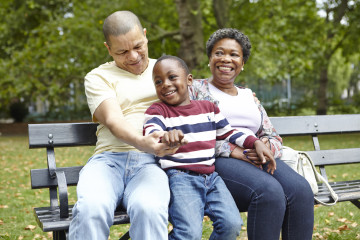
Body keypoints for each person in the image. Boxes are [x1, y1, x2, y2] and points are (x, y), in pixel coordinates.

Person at [189, 28, 314, 240]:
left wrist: (265, 146)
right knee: (269, 192)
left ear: (242, 63)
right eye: (219, 53)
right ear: (209, 58)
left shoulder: (249, 96)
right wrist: (234, 150)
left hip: (257, 158)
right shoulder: (195, 90)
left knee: (301, 191)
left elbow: (273, 135)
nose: (225, 59)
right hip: (218, 160)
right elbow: (191, 134)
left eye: (234, 54)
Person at [68, 11, 182, 240]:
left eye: (138, 46)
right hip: (108, 161)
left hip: (150, 165)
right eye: (122, 51)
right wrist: (143, 142)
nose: (133, 57)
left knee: (149, 209)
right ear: (108, 49)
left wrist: (247, 99)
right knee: (91, 208)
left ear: (146, 36)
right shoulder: (98, 77)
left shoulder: (166, 71)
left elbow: (199, 98)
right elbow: (113, 119)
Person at [143, 55, 276, 240]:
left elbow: (230, 133)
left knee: (231, 225)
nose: (165, 84)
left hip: (211, 179)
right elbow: (151, 133)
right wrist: (165, 136)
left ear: (189, 80)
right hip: (180, 179)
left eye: (172, 77)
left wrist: (255, 142)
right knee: (189, 233)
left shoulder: (208, 108)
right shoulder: (158, 111)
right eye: (158, 81)